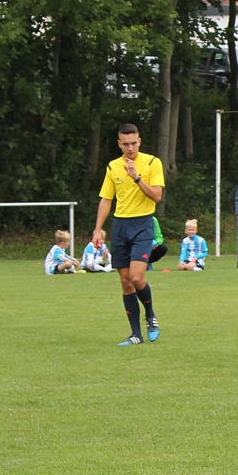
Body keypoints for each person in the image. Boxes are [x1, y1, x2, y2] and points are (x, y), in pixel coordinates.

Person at [92, 123, 165, 346]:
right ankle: (136, 335)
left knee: (136, 277)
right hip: (120, 226)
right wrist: (97, 229)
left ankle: (150, 316)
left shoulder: (152, 163)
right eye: (126, 144)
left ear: (139, 141)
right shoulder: (113, 166)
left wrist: (137, 178)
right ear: (119, 144)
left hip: (143, 224)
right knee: (125, 282)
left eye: (134, 143)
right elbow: (106, 199)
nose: (130, 148)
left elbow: (157, 196)